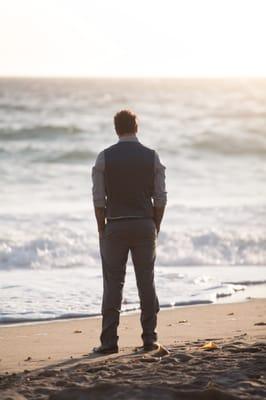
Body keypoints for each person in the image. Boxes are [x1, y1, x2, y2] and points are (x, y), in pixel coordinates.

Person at [91, 109, 167, 354]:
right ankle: (149, 339)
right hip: (144, 223)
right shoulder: (152, 156)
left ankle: (109, 342)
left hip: (115, 224)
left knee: (113, 283)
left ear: (116, 129)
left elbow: (98, 199)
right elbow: (161, 198)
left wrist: (101, 227)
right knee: (146, 281)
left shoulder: (104, 157)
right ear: (137, 127)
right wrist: (156, 225)